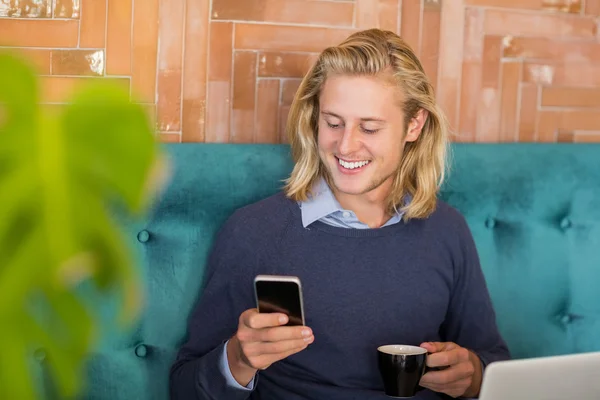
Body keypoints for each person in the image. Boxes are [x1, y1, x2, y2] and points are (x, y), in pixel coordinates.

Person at [169, 28, 511, 399]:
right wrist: (237, 359)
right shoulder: (254, 231)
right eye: (333, 123)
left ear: (414, 125)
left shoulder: (447, 229)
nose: (346, 145)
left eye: (369, 127)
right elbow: (185, 387)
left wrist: (473, 375)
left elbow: (492, 361)